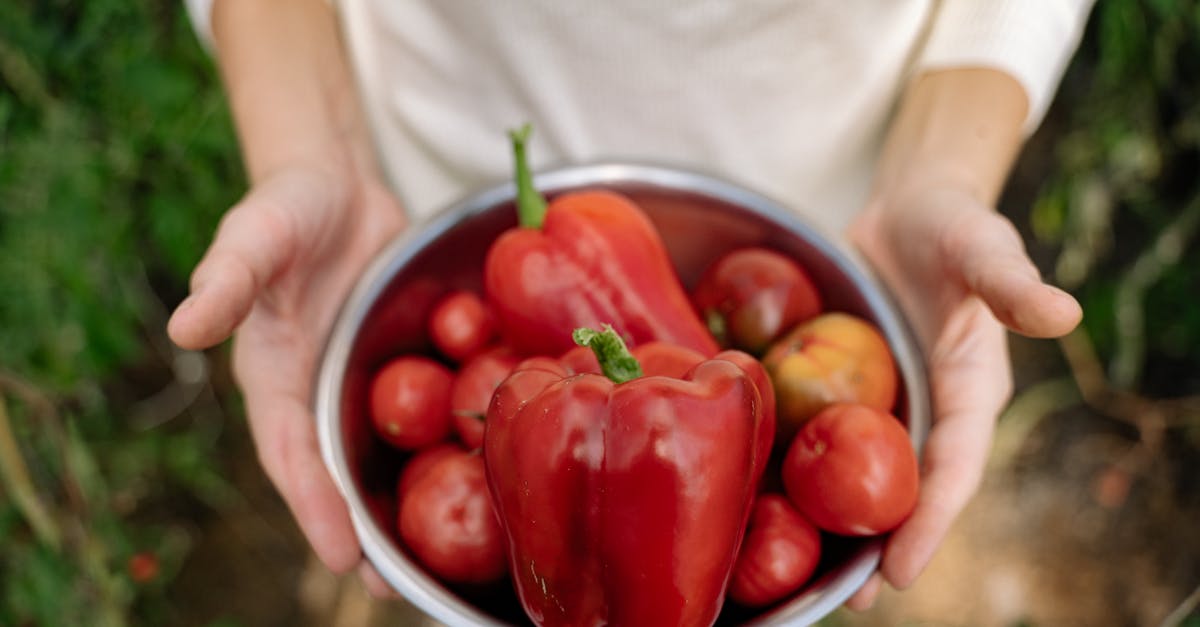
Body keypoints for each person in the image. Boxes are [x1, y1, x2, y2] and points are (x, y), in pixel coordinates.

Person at [170, 0, 1091, 611]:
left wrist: (942, 169)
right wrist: (309, 145)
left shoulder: (685, 382)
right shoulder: (686, 389)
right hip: (418, 171)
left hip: (833, 194)